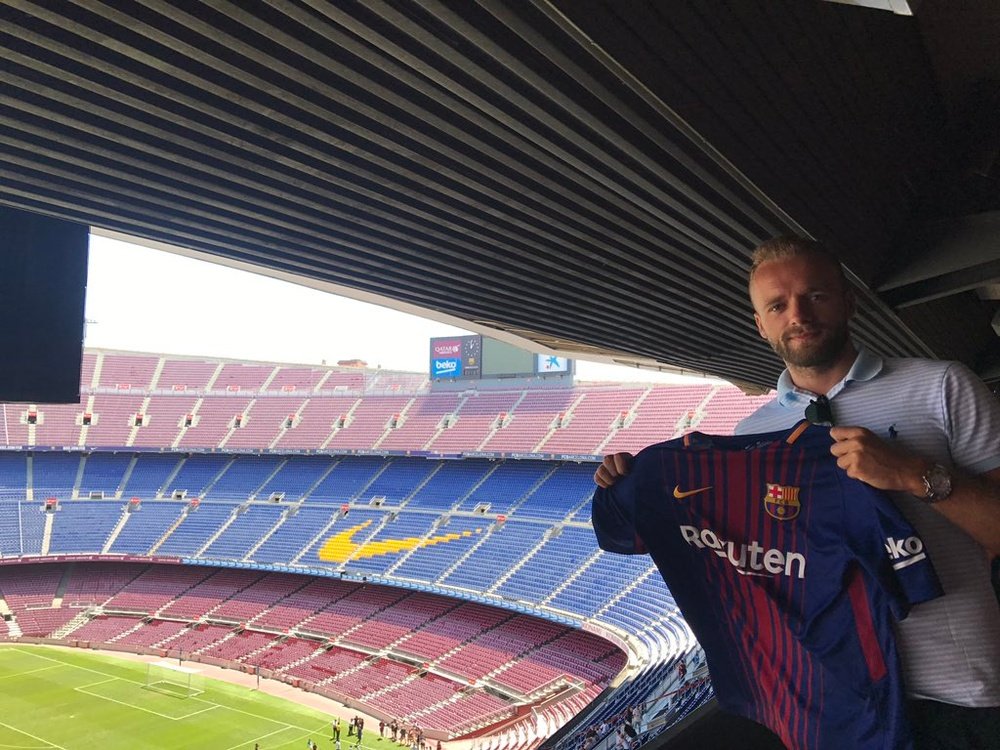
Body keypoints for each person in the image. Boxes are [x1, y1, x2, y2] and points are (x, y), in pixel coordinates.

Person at [594, 235, 1000, 748]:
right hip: (839, 711)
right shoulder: (748, 440)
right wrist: (631, 490)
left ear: (849, 301)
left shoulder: (942, 386)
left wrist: (912, 475)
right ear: (760, 325)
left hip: (962, 695)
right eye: (778, 305)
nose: (798, 314)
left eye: (816, 295)